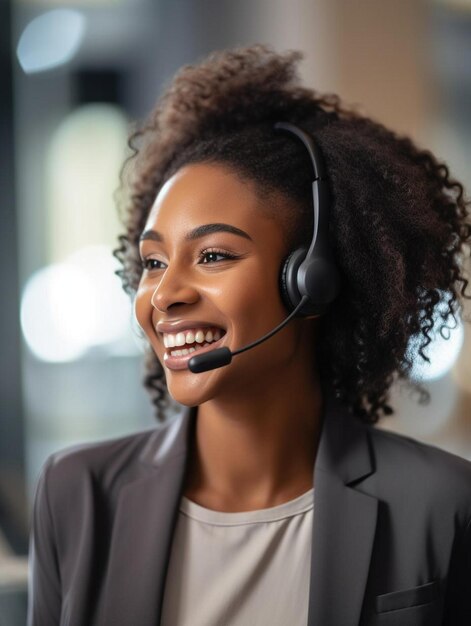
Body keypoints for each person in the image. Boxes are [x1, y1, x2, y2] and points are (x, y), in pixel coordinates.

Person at [28, 45, 471, 626]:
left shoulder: (441, 503)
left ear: (312, 281)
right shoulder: (77, 494)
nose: (164, 297)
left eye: (212, 255)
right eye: (154, 263)